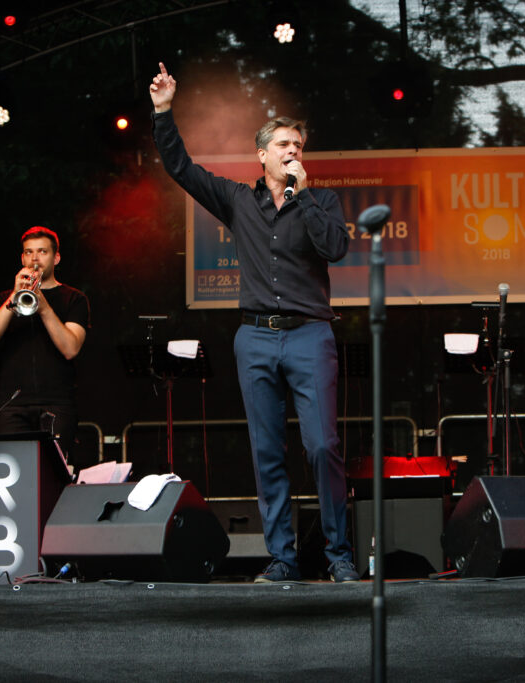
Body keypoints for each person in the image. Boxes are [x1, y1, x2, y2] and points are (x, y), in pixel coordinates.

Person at [149, 62, 359, 583]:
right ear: (262, 154)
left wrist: (303, 194)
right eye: (283, 145)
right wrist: (162, 111)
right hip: (256, 337)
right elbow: (182, 168)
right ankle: (284, 558)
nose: (293, 152)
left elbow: (334, 248)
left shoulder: (322, 200)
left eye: (299, 146)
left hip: (311, 334)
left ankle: (338, 556)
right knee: (267, 451)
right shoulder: (238, 200)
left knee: (321, 446)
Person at [0, 226, 90, 462]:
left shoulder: (74, 299)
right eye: (29, 252)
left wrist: (43, 306)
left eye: (42, 252)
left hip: (57, 405)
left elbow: (70, 349)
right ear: (22, 258)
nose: (34, 259)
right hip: (12, 406)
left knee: (55, 476)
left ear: (56, 257)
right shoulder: (5, 299)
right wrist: (15, 295)